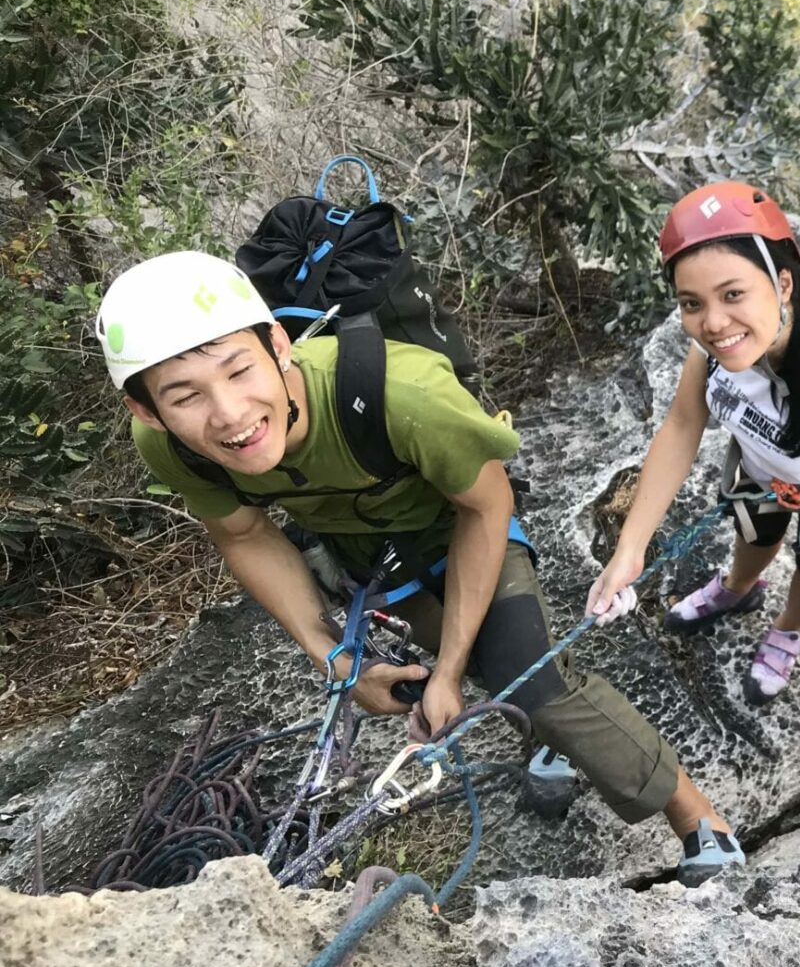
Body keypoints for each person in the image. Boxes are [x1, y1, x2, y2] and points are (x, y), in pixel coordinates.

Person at [96, 250, 744, 884]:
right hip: (376, 564)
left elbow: (486, 509)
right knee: (494, 671)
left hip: (467, 529)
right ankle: (548, 738)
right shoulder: (170, 447)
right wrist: (335, 660)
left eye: (240, 371)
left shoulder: (400, 393)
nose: (229, 414)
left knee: (533, 679)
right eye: (186, 397)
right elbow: (243, 535)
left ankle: (696, 816)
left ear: (276, 343)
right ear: (146, 410)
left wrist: (451, 672)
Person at [587, 182, 800, 703]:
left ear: (782, 284)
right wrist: (630, 549)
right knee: (755, 536)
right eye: (692, 303)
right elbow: (681, 425)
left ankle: (788, 628)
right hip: (762, 475)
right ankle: (737, 589)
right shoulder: (718, 345)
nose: (713, 323)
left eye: (733, 294)